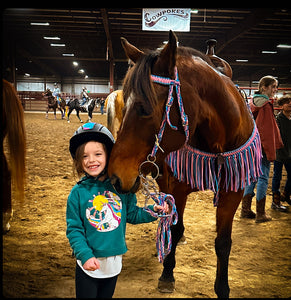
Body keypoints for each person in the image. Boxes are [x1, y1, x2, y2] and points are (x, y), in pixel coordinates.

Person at [66, 122, 170, 298]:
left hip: (113, 264)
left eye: (98, 154)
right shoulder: (77, 193)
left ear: (109, 155)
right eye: (85, 156)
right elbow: (74, 229)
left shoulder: (121, 189)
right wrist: (85, 255)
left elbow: (132, 213)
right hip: (88, 263)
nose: (91, 160)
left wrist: (155, 211)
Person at [240, 75, 284, 223]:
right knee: (263, 177)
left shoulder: (253, 102)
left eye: (276, 87)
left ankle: (245, 210)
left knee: (251, 177)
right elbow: (265, 130)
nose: (275, 90)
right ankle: (260, 214)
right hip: (262, 147)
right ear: (263, 87)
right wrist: (269, 149)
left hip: (252, 147)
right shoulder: (265, 105)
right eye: (273, 87)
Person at [272, 94, 291, 209]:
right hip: (279, 153)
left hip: (289, 153)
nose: (289, 104)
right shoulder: (278, 120)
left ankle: (286, 194)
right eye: (286, 102)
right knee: (277, 176)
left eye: (290, 102)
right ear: (281, 106)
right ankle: (276, 200)